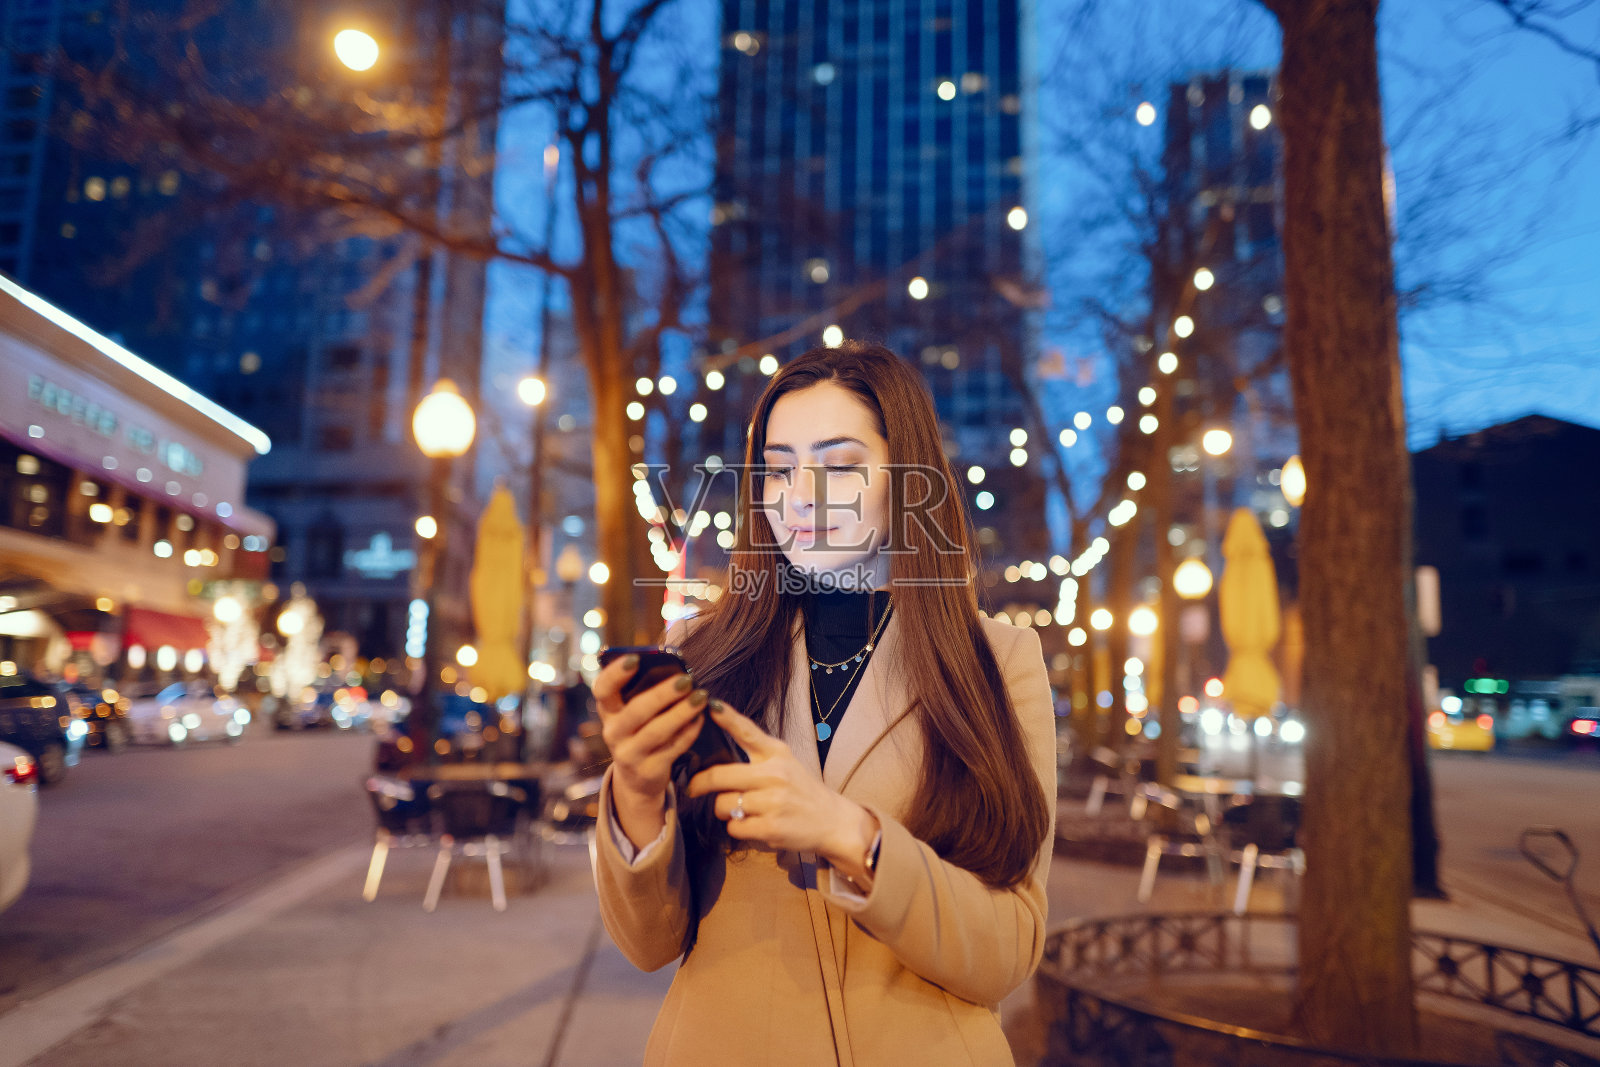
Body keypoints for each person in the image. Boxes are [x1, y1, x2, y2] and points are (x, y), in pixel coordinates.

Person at [591, 341, 1056, 1066]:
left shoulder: (998, 664)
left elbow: (1008, 951)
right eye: (778, 469)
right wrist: (638, 792)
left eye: (839, 465)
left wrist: (852, 835)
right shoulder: (700, 654)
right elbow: (647, 943)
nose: (800, 495)